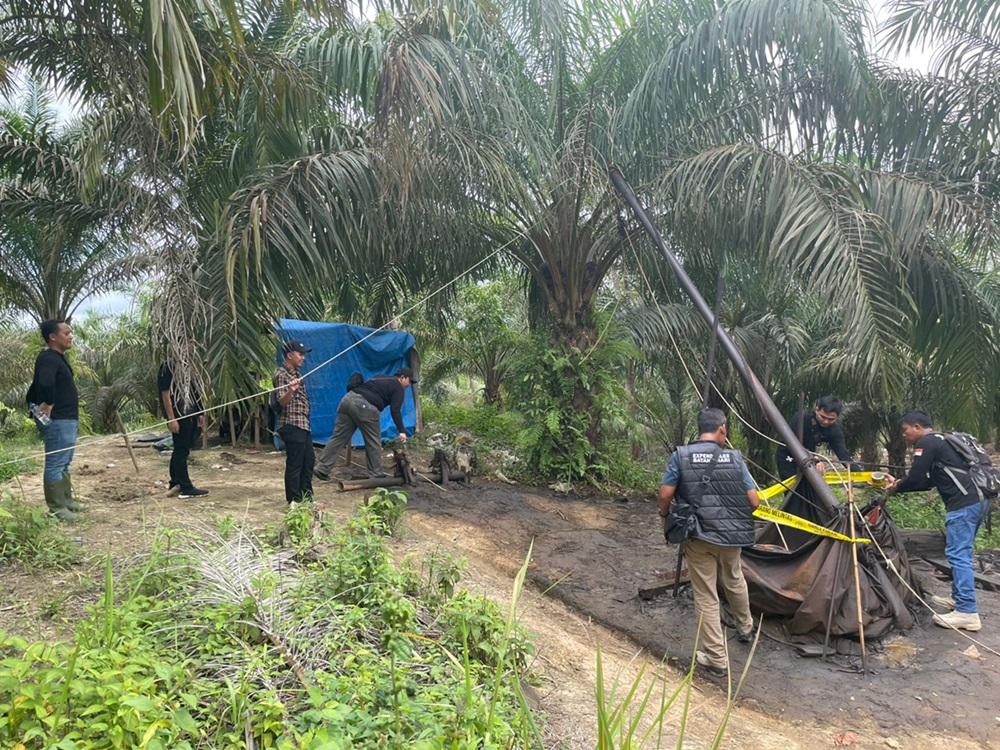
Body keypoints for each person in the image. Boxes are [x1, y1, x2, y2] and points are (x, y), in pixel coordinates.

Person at [658, 408, 759, 677]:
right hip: (731, 536)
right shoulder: (735, 459)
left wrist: (665, 517)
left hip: (699, 535)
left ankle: (716, 658)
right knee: (734, 578)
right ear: (722, 429)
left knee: (705, 593)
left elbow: (665, 493)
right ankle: (746, 629)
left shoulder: (681, 455)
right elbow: (754, 501)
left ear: (700, 428)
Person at [884, 411, 989, 632]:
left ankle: (967, 612)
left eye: (905, 430)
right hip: (978, 500)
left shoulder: (927, 442)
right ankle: (959, 599)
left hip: (963, 505)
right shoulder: (942, 441)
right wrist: (899, 485)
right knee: (962, 551)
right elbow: (926, 482)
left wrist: (896, 487)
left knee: (957, 554)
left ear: (916, 427)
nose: (904, 435)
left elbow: (915, 477)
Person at [313, 368, 416, 481]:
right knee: (373, 441)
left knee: (338, 437)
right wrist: (402, 431)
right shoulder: (398, 387)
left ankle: (322, 468)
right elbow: (395, 410)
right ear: (402, 377)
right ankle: (375, 474)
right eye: (409, 381)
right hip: (365, 406)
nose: (409, 385)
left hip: (347, 400)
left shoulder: (380, 376)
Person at [27, 319, 81, 520]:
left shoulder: (58, 358)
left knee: (64, 462)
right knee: (56, 462)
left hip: (67, 419)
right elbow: (46, 382)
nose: (70, 336)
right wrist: (48, 403)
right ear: (53, 336)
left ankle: (67, 501)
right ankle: (57, 508)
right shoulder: (48, 358)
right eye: (66, 333)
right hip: (58, 420)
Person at [775, 395, 861, 480]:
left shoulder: (835, 431)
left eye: (831, 419)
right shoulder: (802, 418)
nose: (826, 421)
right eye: (822, 417)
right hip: (788, 457)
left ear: (837, 417)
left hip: (808, 461)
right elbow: (793, 443)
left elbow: (844, 457)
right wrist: (814, 460)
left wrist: (861, 475)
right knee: (795, 490)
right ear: (817, 410)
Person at [159, 352, 208, 499]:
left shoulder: (188, 365)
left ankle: (175, 483)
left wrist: (200, 412)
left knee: (183, 449)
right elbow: (165, 393)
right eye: (189, 341)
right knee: (181, 450)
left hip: (191, 412)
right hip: (180, 415)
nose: (193, 345)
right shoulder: (168, 366)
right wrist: (171, 418)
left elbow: (195, 390)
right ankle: (186, 487)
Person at [275, 340, 315, 504]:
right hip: (291, 423)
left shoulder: (298, 375)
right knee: (295, 464)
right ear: (289, 355)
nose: (303, 358)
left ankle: (307, 497)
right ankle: (294, 501)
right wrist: (291, 390)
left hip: (303, 424)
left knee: (309, 461)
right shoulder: (281, 376)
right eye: (300, 354)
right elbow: (281, 402)